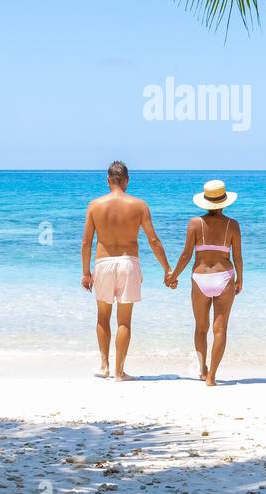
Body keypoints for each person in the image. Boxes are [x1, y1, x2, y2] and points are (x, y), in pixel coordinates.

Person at [81, 160, 174, 379]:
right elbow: (154, 240)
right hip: (128, 263)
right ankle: (119, 371)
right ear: (127, 180)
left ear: (108, 180)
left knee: (103, 317)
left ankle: (104, 366)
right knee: (124, 321)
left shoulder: (95, 205)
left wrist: (86, 272)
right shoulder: (139, 205)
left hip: (103, 263)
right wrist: (167, 269)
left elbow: (86, 243)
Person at [168, 179, 243, 386]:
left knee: (201, 327)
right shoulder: (233, 225)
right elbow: (237, 257)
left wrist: (173, 276)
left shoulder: (194, 224)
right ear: (224, 201)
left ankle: (202, 370)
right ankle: (212, 377)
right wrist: (241, 279)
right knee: (220, 329)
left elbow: (185, 255)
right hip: (225, 276)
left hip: (200, 277)